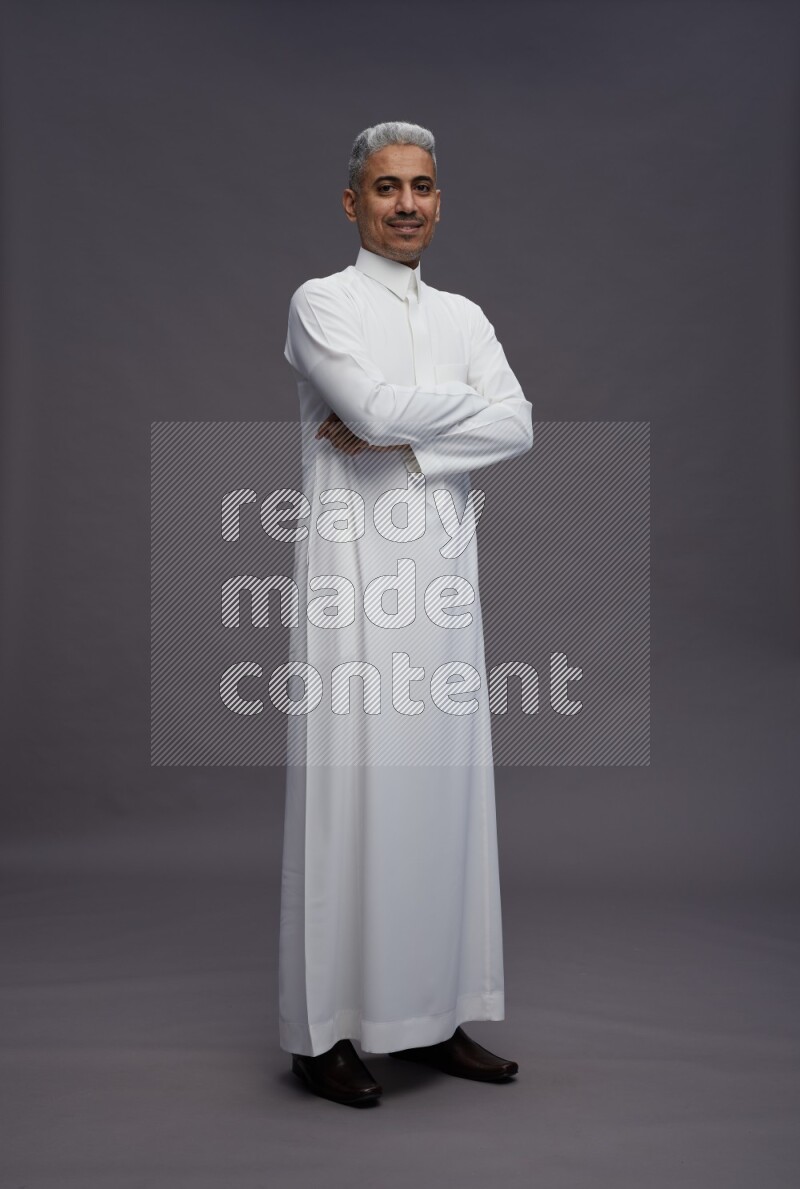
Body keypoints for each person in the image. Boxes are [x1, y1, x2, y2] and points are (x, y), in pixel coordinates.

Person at [278, 121, 533, 1106]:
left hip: (441, 589)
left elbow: (515, 420)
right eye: (385, 188)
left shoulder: (464, 316)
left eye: (422, 186)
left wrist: (401, 429)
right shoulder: (320, 303)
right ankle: (323, 1034)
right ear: (352, 204)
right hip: (354, 593)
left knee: (442, 800)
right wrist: (423, 418)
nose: (406, 204)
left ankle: (429, 1015)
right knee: (349, 805)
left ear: (439, 199)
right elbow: (373, 412)